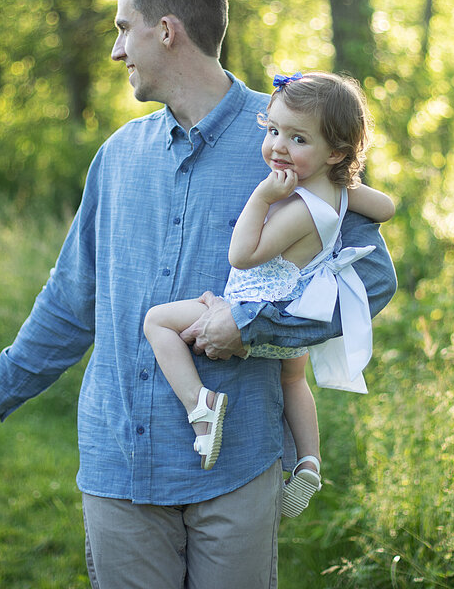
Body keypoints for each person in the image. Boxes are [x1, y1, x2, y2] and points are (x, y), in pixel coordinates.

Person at [0, 0, 397, 588]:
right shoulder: (118, 156)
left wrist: (255, 328)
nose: (114, 51)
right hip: (119, 458)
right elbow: (73, 300)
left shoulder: (287, 141)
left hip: (237, 461)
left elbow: (371, 279)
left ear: (166, 30)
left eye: (123, 28)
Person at [142, 71, 395, 521]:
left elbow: (243, 255)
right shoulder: (334, 192)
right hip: (295, 313)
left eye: (298, 139)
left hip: (257, 311)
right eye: (274, 130)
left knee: (157, 321)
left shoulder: (299, 209)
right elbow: (387, 208)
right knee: (293, 382)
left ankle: (200, 405)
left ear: (335, 151)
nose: (278, 146)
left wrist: (261, 198)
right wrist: (340, 181)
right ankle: (309, 459)